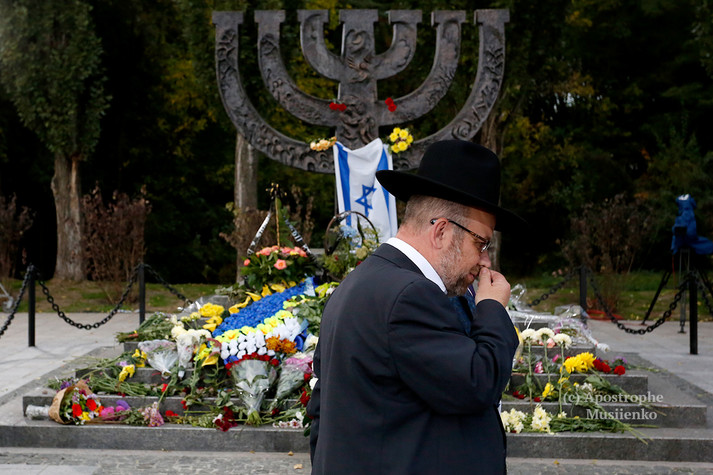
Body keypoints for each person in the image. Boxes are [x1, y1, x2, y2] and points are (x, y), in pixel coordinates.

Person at [307, 139, 523, 474]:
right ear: (441, 232)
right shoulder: (410, 295)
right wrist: (492, 309)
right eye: (480, 243)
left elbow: (322, 410)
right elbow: (477, 384)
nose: (485, 261)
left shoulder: (363, 280)